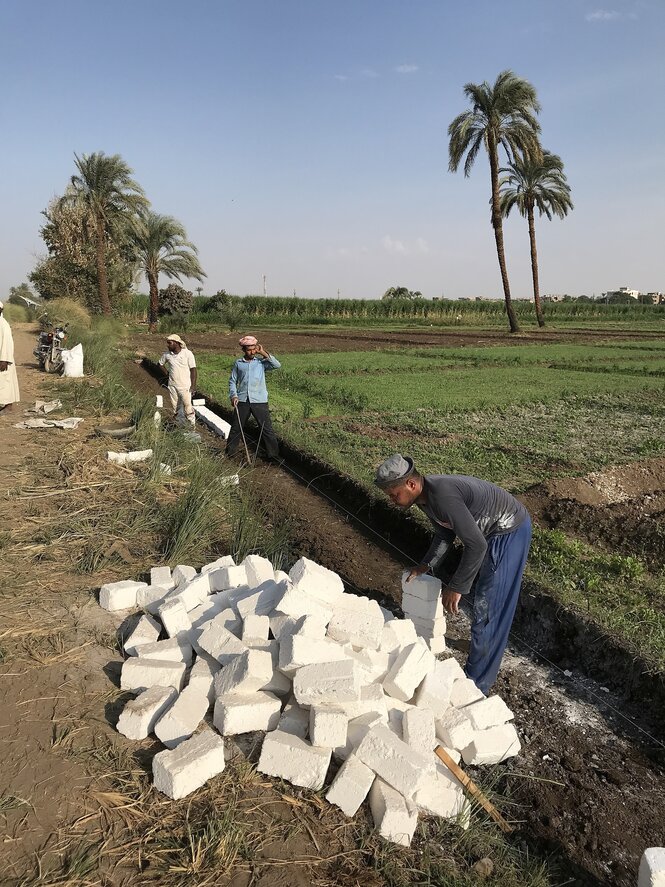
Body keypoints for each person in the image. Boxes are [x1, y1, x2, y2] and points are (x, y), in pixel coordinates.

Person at [374, 454, 532, 695]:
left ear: (411, 485)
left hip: (508, 530)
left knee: (488, 607)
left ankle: (475, 686)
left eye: (394, 494)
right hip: (492, 531)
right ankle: (481, 654)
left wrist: (457, 587)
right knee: (484, 601)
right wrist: (426, 565)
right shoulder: (425, 499)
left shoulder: (443, 496)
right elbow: (445, 533)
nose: (393, 501)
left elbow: (476, 546)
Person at [226, 335, 281, 462]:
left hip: (259, 401)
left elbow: (277, 365)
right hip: (242, 400)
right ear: (243, 350)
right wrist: (233, 395)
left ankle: (273, 455)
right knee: (236, 427)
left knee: (266, 428)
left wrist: (263, 352)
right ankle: (229, 454)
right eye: (249, 349)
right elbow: (232, 381)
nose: (252, 352)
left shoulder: (261, 363)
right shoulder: (239, 364)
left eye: (254, 349)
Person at [158, 334, 197, 426]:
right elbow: (160, 364)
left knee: (188, 407)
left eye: (169, 343)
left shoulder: (187, 354)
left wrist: (193, 386)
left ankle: (192, 426)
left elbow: (193, 370)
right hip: (172, 385)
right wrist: (168, 374)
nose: (168, 345)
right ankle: (180, 426)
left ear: (176, 343)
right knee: (175, 408)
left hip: (185, 386)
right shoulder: (167, 355)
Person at [0, 301, 20, 412]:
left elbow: (7, 342)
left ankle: (8, 406)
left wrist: (4, 359)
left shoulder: (3, 324)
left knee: (5, 382)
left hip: (3, 359)